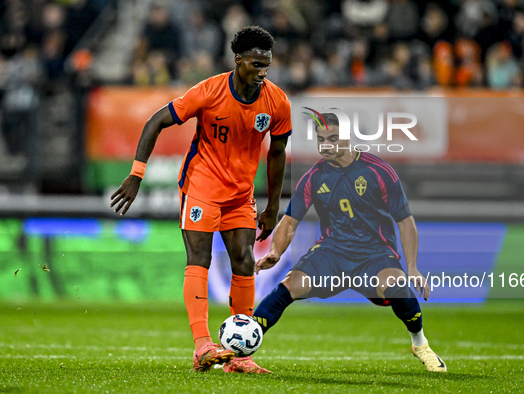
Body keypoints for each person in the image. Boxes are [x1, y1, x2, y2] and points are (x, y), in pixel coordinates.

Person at [110, 26, 292, 374]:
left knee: (243, 260)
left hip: (240, 194)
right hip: (202, 186)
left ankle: (239, 357)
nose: (262, 72)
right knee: (200, 257)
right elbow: (155, 121)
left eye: (266, 65)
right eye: (256, 64)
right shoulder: (208, 91)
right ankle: (202, 347)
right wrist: (136, 173)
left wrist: (272, 206)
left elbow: (278, 152)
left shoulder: (276, 101)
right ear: (238, 60)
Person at [253, 113, 446, 373]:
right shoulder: (313, 177)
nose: (326, 145)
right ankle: (241, 350)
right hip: (332, 254)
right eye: (321, 140)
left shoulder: (378, 170)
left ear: (348, 137)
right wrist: (276, 251)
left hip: (374, 256)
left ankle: (420, 344)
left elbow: (405, 221)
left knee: (398, 287)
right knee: (288, 287)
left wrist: (411, 267)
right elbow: (289, 221)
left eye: (333, 138)